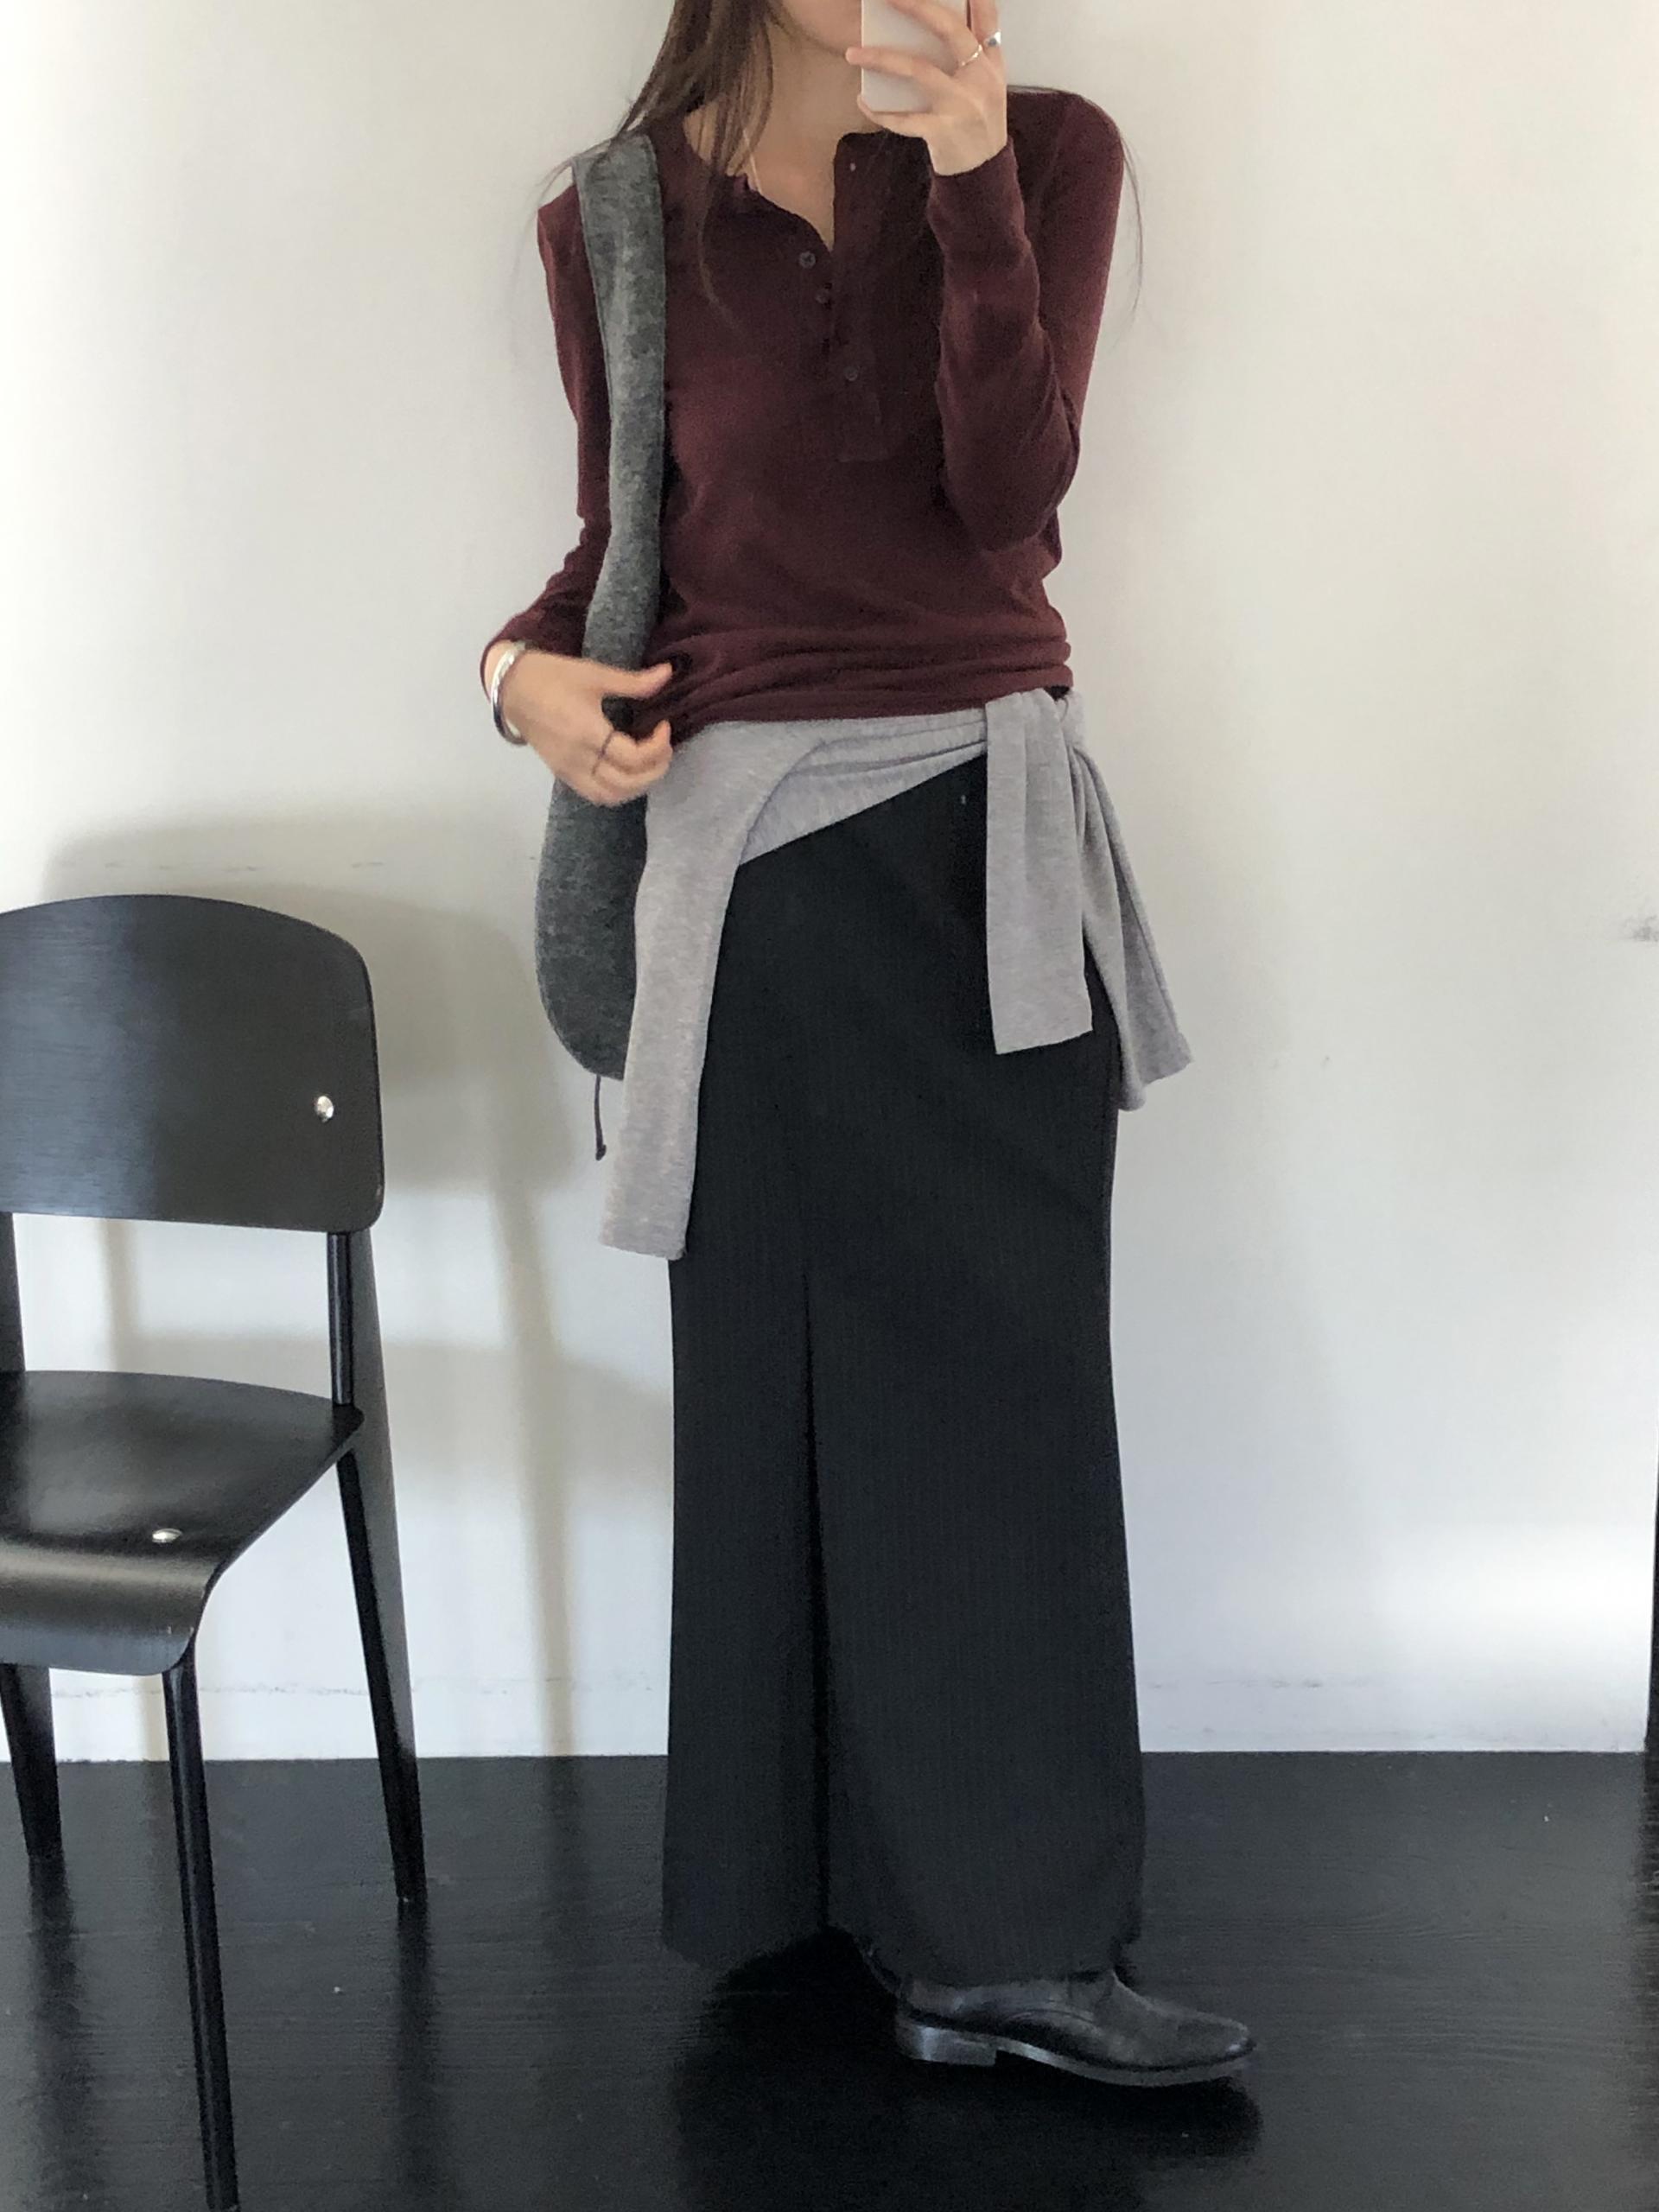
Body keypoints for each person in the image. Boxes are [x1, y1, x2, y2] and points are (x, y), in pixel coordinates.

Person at [480, 0, 1255, 2090]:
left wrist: (977, 181)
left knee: (999, 1404)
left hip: (986, 847)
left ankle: (1010, 1941)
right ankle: (807, 1887)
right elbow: (622, 547)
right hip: (747, 882)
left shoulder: (1054, 152)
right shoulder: (615, 217)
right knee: (779, 1394)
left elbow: (1010, 496)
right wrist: (511, 674)